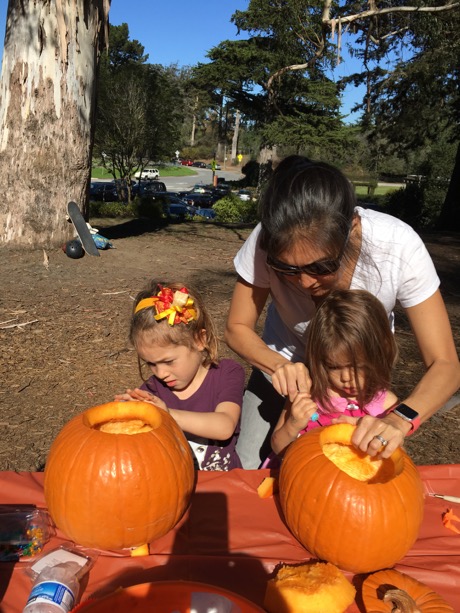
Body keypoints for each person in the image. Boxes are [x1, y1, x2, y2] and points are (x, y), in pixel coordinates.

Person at [224, 155, 460, 469]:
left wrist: (399, 419)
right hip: (281, 366)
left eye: (321, 266)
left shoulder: (399, 246)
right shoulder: (265, 239)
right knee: (251, 466)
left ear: (351, 228)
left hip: (359, 377)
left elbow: (445, 363)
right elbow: (236, 326)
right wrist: (278, 365)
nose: (305, 282)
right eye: (286, 268)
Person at [116, 282, 245, 471]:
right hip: (175, 488)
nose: (160, 373)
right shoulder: (152, 392)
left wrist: (166, 415)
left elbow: (224, 426)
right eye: (151, 364)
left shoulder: (227, 373)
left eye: (168, 362)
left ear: (200, 340)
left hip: (225, 489)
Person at [271, 289, 399, 457]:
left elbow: (396, 457)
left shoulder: (386, 404)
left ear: (381, 353)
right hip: (305, 474)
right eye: (333, 367)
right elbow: (277, 447)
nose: (346, 378)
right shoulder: (307, 392)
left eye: (358, 366)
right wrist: (293, 425)